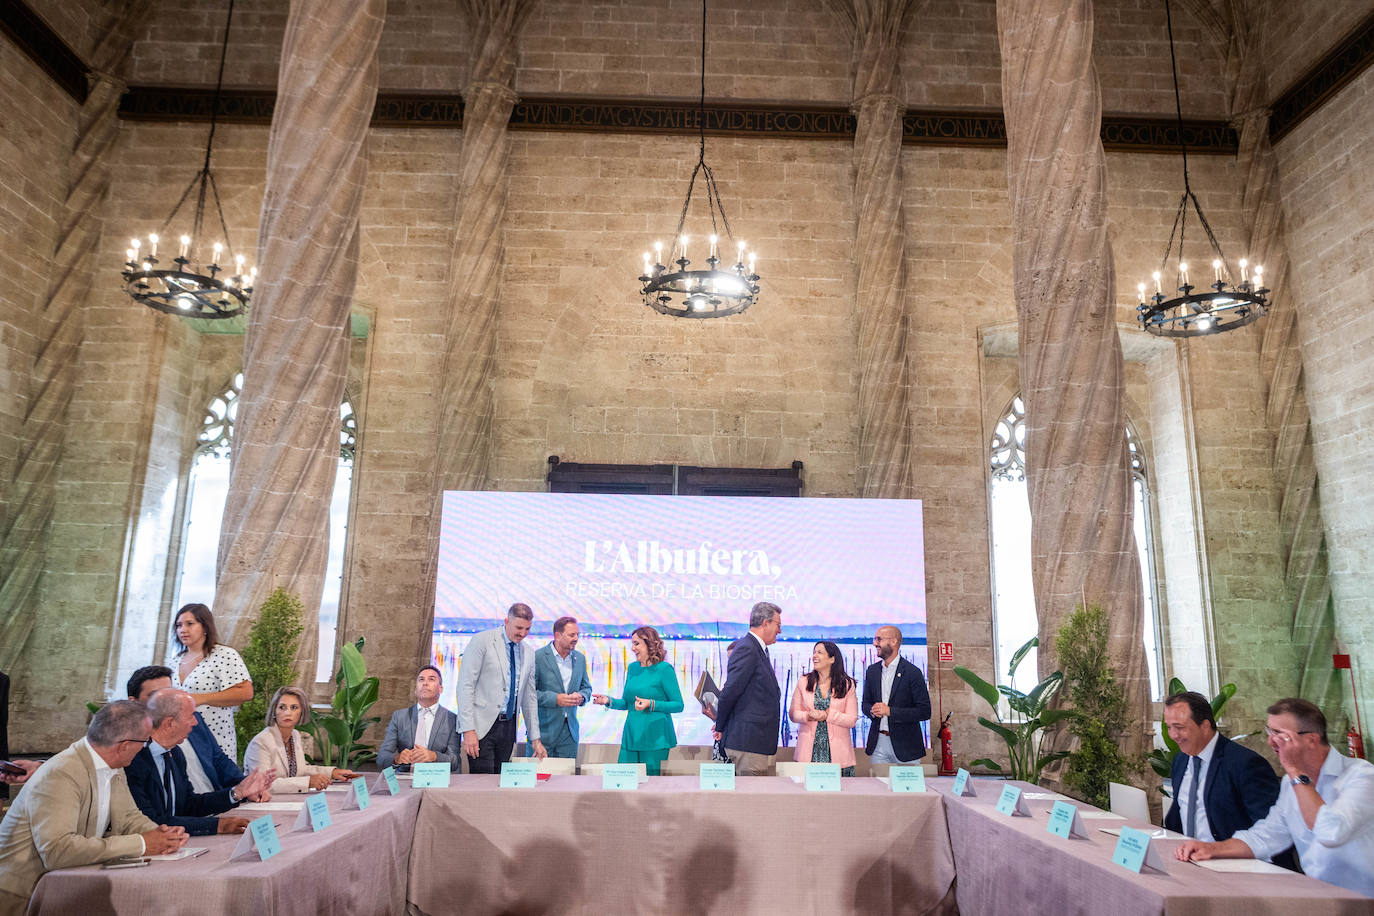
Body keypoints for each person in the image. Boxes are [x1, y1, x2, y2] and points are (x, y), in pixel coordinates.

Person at [0, 701, 187, 913]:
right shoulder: (60, 773)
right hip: (23, 897)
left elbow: (129, 817)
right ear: (124, 745)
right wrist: (142, 843)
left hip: (67, 887)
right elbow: (58, 851)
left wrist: (161, 835)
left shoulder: (113, 764)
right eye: (145, 742)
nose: (145, 748)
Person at [1176, 697, 1374, 897]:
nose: (1271, 741)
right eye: (1270, 731)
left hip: (1363, 897)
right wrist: (1212, 849)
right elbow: (1267, 835)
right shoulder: (1291, 783)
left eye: (1280, 734)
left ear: (1311, 739)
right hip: (1320, 895)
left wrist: (1295, 771)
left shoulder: (1361, 776)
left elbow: (1331, 833)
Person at [124, 689, 273, 836]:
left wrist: (236, 793)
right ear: (169, 723)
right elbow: (151, 822)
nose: (195, 722)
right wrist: (218, 825)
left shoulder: (175, 753)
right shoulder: (133, 759)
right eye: (190, 716)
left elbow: (189, 805)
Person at [1161, 691, 1286, 857]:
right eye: (1169, 727)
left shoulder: (1245, 764)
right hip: (1188, 858)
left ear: (1205, 726)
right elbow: (1178, 812)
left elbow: (1271, 830)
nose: (1173, 735)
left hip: (1233, 863)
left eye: (1179, 728)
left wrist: (1219, 850)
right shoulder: (1181, 760)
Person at [127, 664, 247, 795]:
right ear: (134, 702)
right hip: (189, 812)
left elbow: (218, 759)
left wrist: (245, 787)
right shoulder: (133, 745)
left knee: (266, 816)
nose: (166, 701)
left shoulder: (193, 720)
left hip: (213, 800)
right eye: (156, 696)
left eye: (170, 693)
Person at [456, 603, 547, 774]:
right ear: (506, 621)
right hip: (481, 727)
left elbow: (529, 698)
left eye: (527, 629)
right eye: (519, 627)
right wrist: (467, 730)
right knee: (481, 785)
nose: (523, 633)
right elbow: (465, 686)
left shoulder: (529, 652)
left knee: (500, 784)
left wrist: (535, 738)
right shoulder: (482, 641)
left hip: (509, 727)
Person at [592, 626, 682, 775]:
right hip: (632, 735)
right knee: (623, 780)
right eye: (632, 644)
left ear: (650, 644)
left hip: (655, 738)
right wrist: (608, 700)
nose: (633, 648)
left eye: (637, 644)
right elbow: (627, 703)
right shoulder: (633, 668)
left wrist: (651, 704)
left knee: (650, 787)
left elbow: (678, 705)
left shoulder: (664, 669)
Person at [168, 603, 252, 760]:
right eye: (179, 625)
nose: (183, 630)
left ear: (205, 626)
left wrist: (202, 698)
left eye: (189, 624)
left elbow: (246, 692)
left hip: (215, 740)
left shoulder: (224, 655)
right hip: (181, 742)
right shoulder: (174, 661)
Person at [243, 687, 359, 793]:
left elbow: (300, 770)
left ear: (302, 712)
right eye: (282, 707)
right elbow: (261, 784)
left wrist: (332, 773)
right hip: (259, 803)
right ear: (274, 711)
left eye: (294, 708)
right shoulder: (261, 741)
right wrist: (307, 782)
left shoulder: (295, 735)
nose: (287, 713)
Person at [712, 602, 782, 776]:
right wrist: (720, 726)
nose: (779, 631)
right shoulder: (747, 648)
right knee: (750, 800)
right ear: (765, 623)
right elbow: (730, 692)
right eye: (778, 625)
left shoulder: (757, 649)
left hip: (754, 741)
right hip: (748, 741)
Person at [862, 625, 931, 765]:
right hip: (878, 745)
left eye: (878, 639)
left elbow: (924, 712)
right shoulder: (872, 671)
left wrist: (890, 711)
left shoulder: (913, 673)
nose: (875, 643)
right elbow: (865, 704)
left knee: (908, 787)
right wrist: (872, 711)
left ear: (893, 642)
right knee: (878, 786)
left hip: (907, 747)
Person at [789, 641, 859, 777]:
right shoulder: (803, 681)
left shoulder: (847, 684)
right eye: (814, 652)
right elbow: (793, 714)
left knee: (840, 797)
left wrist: (827, 715)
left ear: (832, 659)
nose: (815, 656)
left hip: (839, 754)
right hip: (808, 752)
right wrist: (807, 716)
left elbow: (851, 719)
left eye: (819, 652)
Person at [377, 665, 461, 771]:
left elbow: (455, 761)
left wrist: (434, 756)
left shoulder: (452, 719)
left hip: (437, 780)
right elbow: (382, 757)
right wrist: (397, 758)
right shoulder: (399, 717)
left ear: (440, 689)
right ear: (415, 690)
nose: (425, 683)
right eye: (421, 679)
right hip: (405, 779)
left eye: (431, 679)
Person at [534, 616, 593, 759]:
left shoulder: (579, 658)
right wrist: (556, 699)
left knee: (567, 780)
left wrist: (582, 697)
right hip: (543, 733)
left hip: (569, 734)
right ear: (557, 635)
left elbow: (586, 688)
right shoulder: (538, 657)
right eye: (571, 635)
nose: (576, 638)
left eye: (577, 634)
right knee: (539, 780)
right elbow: (529, 694)